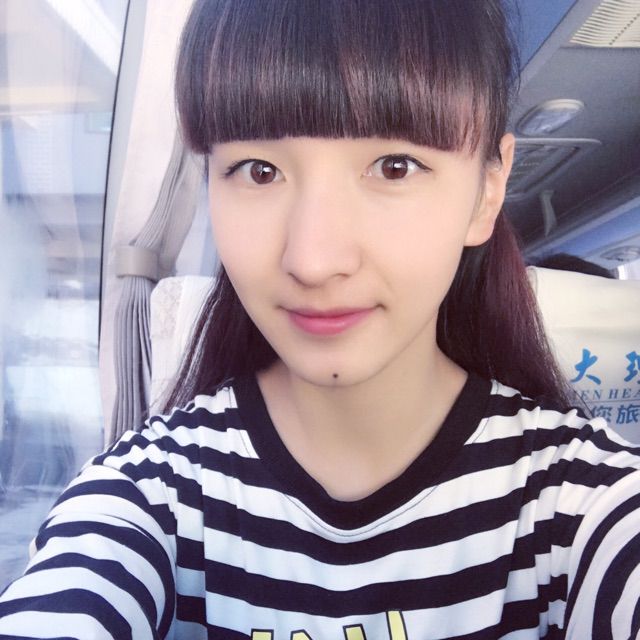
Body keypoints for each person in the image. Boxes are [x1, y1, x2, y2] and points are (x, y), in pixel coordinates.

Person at [1, 1, 639, 638]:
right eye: (259, 171)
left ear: (486, 192)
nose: (313, 260)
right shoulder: (146, 497)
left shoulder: (579, 504)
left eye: (394, 166)